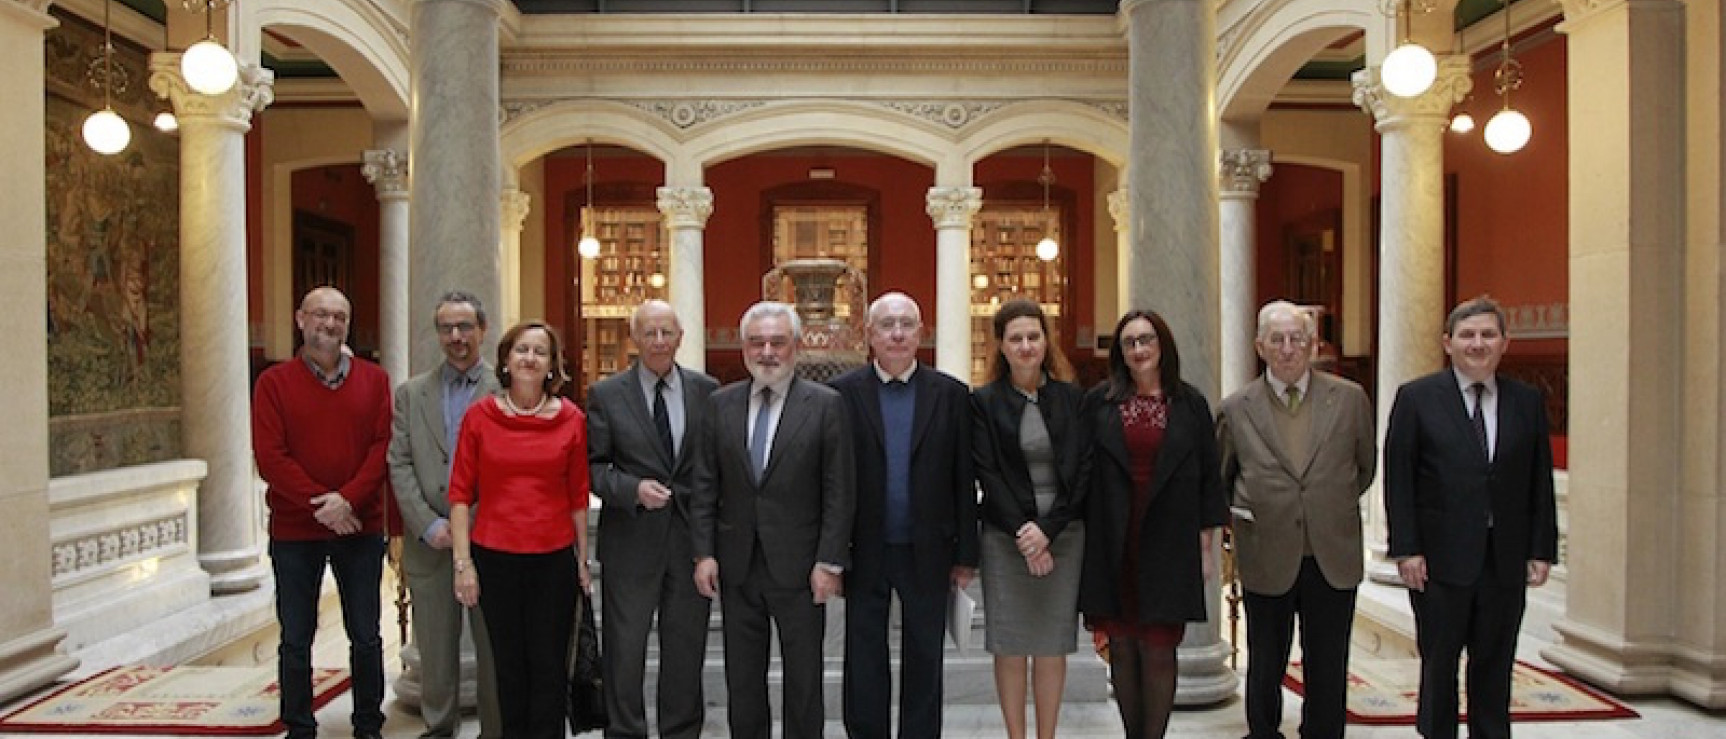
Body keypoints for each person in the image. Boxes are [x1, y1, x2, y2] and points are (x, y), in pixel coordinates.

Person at [1385, 296, 1558, 739]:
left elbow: (1539, 478)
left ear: (1504, 343)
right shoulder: (1417, 398)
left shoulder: (1526, 401)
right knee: (1440, 664)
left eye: (1487, 334)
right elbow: (1399, 479)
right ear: (1448, 343)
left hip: (1505, 559)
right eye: (1467, 335)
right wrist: (1406, 548)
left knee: (1496, 663)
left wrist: (1541, 548)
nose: (1477, 343)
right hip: (1440, 562)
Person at [690, 301, 854, 739]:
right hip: (737, 564)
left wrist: (830, 562)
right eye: (757, 342)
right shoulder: (719, 404)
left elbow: (840, 492)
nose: (767, 352)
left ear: (796, 347)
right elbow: (704, 484)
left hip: (802, 568)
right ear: (744, 348)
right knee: (742, 680)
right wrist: (703, 553)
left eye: (777, 342)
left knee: (804, 681)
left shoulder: (826, 405)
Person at [1216, 300, 1377, 739]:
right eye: (1277, 340)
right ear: (1259, 347)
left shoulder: (1349, 399)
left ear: (1312, 344)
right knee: (1266, 658)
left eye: (1297, 339)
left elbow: (1363, 469)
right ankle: (1264, 732)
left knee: (1328, 659)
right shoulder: (1236, 408)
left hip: (1332, 549)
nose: (1288, 349)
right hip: (1266, 550)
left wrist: (1321, 505)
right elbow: (1223, 477)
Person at [831, 291, 979, 739]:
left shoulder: (950, 395)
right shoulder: (841, 395)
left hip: (930, 549)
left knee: (925, 656)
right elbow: (834, 482)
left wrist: (966, 555)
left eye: (907, 324)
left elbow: (963, 477)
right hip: (864, 548)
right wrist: (831, 553)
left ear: (922, 333)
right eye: (887, 325)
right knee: (863, 657)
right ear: (868, 335)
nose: (897, 333)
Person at [1077, 309, 1227, 739]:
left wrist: (1205, 546)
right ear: (1120, 353)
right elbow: (1083, 474)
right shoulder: (1099, 402)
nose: (1139, 350)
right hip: (1114, 540)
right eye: (1129, 343)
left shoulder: (1191, 403)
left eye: (1146, 340)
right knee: (1123, 648)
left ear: (1163, 346)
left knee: (1160, 648)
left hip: (1170, 540)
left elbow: (1208, 477)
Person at [251, 286, 392, 739]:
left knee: (367, 635)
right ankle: (299, 726)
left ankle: (368, 724)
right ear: (300, 319)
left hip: (360, 524)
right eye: (320, 315)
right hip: (295, 531)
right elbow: (271, 457)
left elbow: (382, 446)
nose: (329, 324)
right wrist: (325, 506)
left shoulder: (375, 380)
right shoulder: (273, 384)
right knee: (296, 636)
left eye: (339, 317)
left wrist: (348, 500)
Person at [448, 321, 592, 739]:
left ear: (552, 365)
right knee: (508, 668)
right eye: (521, 350)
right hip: (495, 559)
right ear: (506, 360)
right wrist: (463, 565)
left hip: (553, 561)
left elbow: (577, 497)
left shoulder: (572, 419)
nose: (530, 358)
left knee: (549, 668)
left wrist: (582, 562)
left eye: (540, 351)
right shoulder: (480, 417)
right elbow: (459, 494)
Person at [586, 299, 717, 739]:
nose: (659, 341)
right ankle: (625, 731)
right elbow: (594, 468)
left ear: (681, 337)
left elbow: (714, 467)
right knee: (624, 650)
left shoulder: (708, 391)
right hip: (631, 541)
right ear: (634, 338)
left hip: (689, 543)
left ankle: (682, 731)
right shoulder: (607, 394)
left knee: (685, 649)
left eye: (667, 332)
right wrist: (632, 490)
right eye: (650, 333)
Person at [387, 290, 503, 739]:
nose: (456, 337)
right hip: (431, 544)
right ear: (437, 333)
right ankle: (439, 729)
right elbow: (399, 462)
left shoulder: (505, 390)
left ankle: (495, 731)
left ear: (482, 330)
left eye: (465, 327)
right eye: (446, 328)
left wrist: (469, 525)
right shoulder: (411, 393)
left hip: (488, 541)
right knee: (435, 652)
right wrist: (429, 524)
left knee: (493, 650)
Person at [971, 299, 1086, 739]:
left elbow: (1080, 471)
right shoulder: (982, 402)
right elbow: (987, 472)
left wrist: (1048, 531)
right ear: (1000, 345)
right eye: (1015, 338)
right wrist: (1025, 533)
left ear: (1045, 342)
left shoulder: (1072, 399)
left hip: (1064, 536)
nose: (1025, 346)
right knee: (1011, 645)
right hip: (1005, 538)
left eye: (1033, 337)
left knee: (1053, 645)